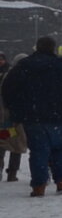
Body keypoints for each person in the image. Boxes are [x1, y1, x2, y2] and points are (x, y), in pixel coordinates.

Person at [0, 37, 62, 197]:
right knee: (61, 149)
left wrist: (14, 108)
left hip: (33, 117)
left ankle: (39, 185)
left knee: (38, 151)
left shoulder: (24, 66)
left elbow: (8, 88)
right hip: (60, 116)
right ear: (53, 48)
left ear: (37, 48)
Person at [0, 52, 23, 182]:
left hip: (8, 117)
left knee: (10, 142)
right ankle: (11, 172)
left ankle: (11, 171)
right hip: (10, 117)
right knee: (13, 143)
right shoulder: (15, 76)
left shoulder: (9, 76)